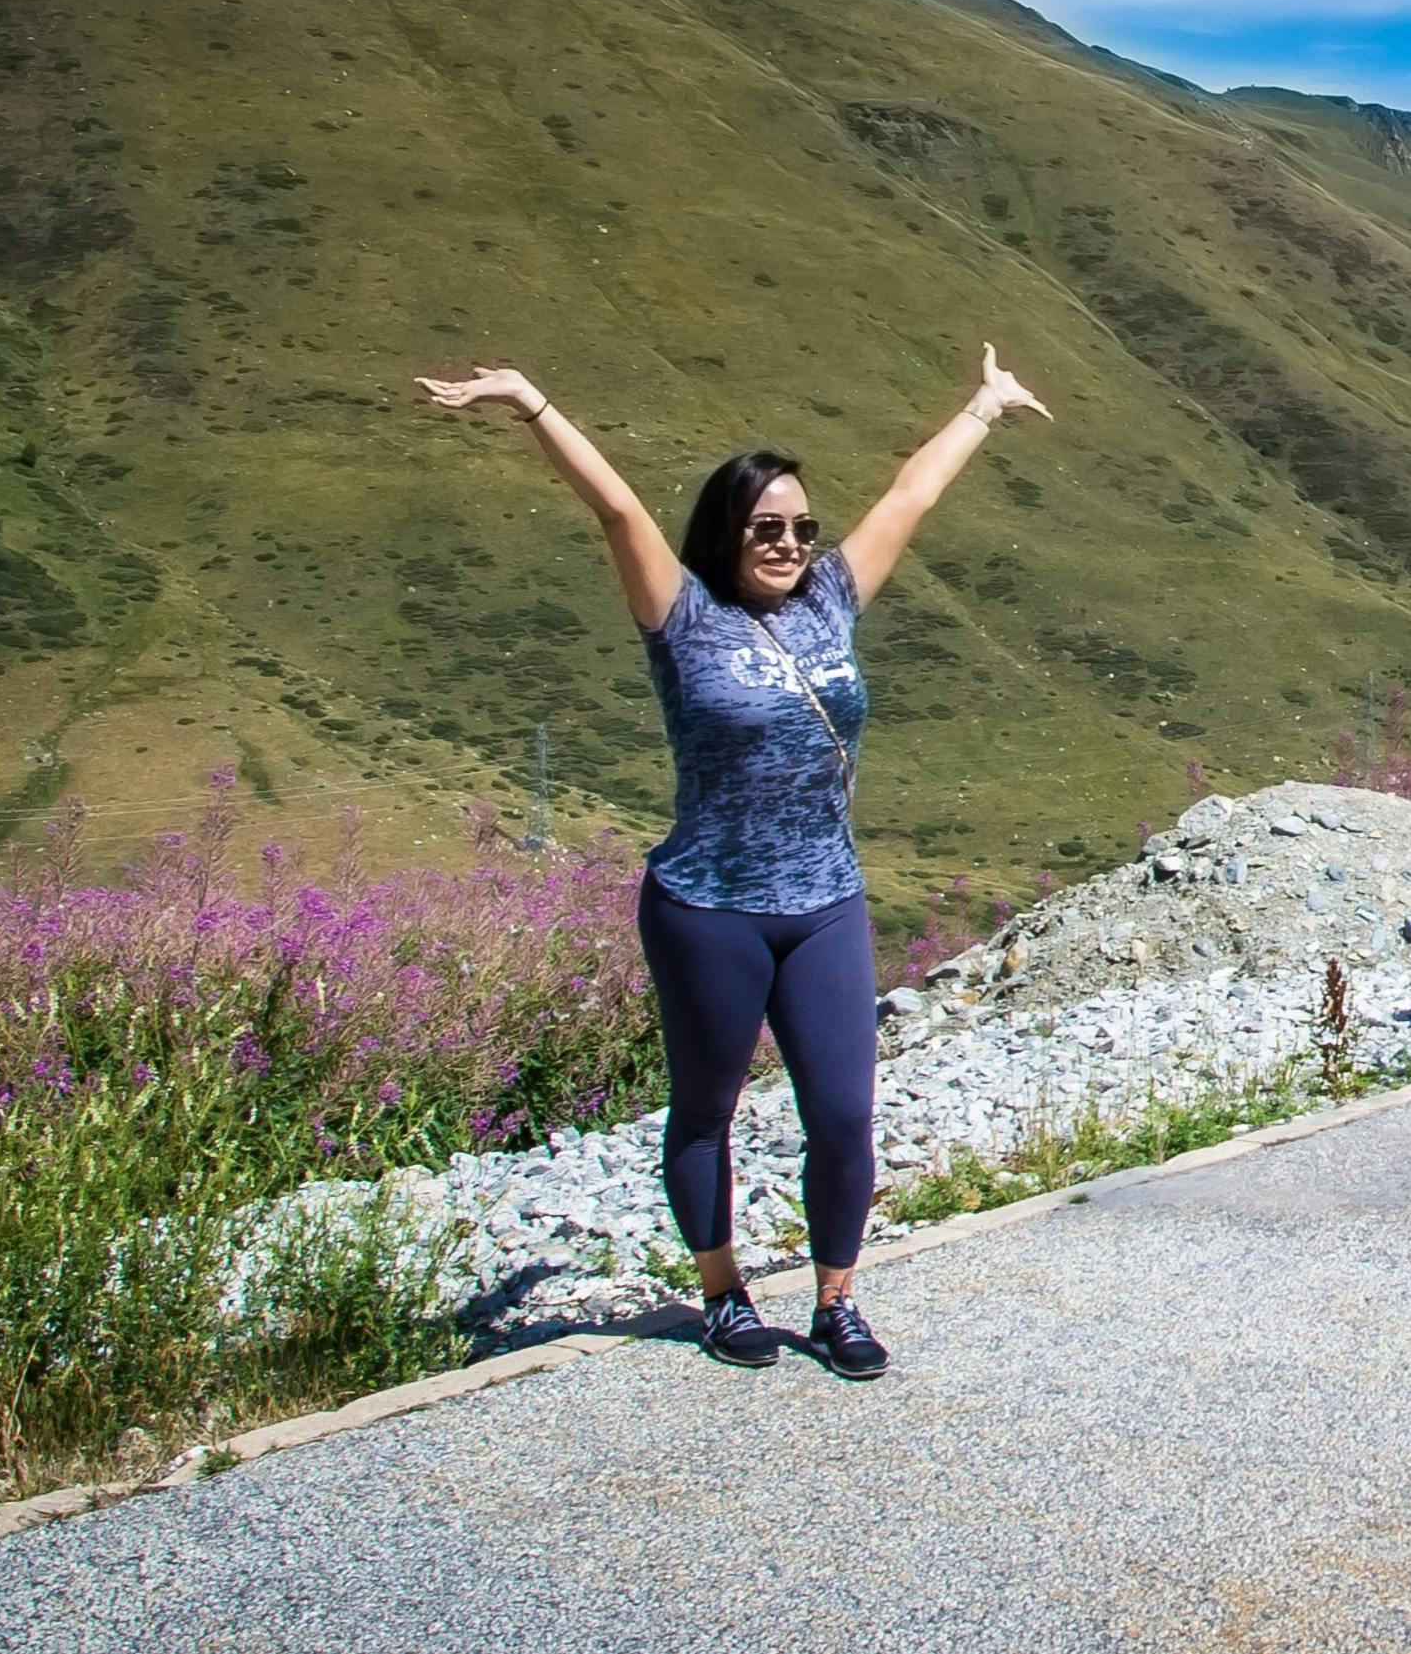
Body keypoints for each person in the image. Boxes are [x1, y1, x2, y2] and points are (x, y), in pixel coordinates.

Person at [414, 346, 1051, 1374]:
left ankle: (837, 1299)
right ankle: (722, 1292)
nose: (790, 542)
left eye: (802, 526)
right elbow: (619, 511)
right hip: (708, 904)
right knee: (705, 1106)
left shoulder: (832, 596)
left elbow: (909, 494)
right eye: (767, 526)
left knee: (843, 1112)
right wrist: (531, 400)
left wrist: (982, 407)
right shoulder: (683, 617)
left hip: (825, 902)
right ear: (725, 531)